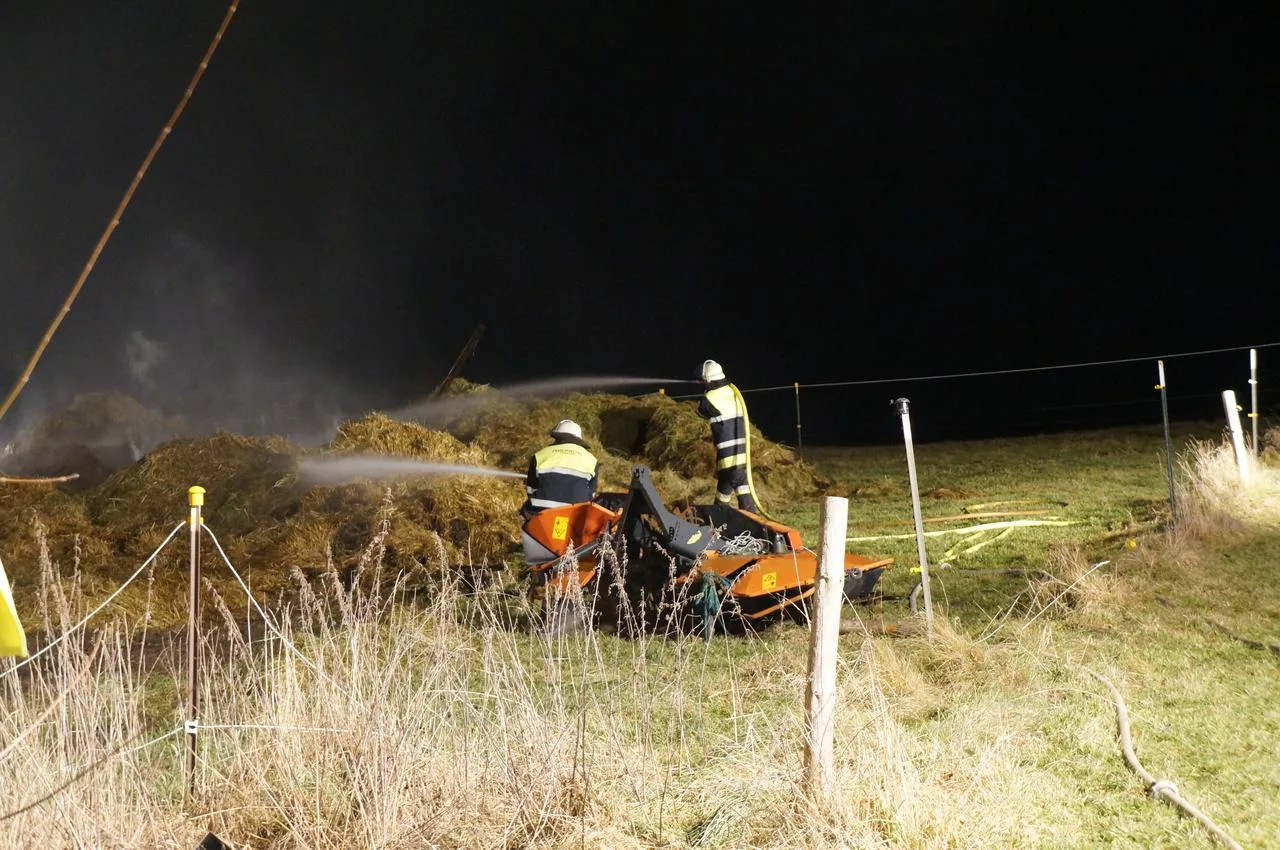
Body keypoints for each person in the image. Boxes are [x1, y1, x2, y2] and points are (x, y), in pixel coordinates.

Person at [696, 359, 759, 513]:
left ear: (708, 379)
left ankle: (752, 520)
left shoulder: (709, 398)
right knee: (724, 486)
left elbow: (700, 410)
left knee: (740, 484)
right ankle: (718, 515)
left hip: (728, 452)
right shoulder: (732, 392)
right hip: (741, 450)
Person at [521, 419, 600, 518]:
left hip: (540, 513)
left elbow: (530, 489)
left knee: (525, 513)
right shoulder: (592, 460)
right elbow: (591, 494)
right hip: (576, 516)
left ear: (557, 436)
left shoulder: (540, 455)